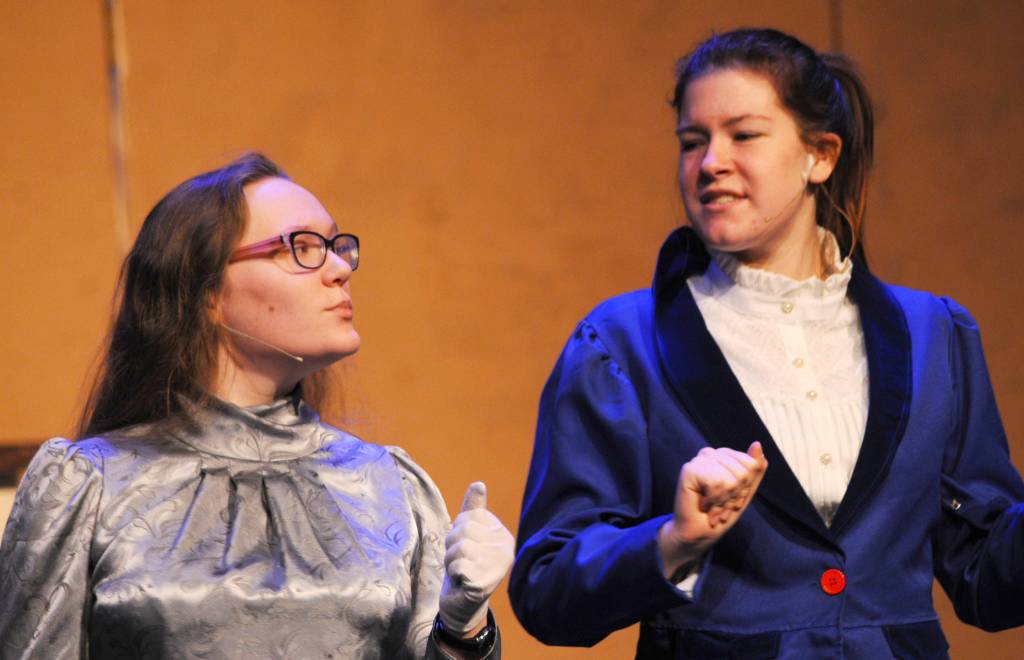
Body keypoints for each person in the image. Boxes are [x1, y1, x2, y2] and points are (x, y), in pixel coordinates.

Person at [509, 28, 1024, 658]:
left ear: (820, 156)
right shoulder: (621, 344)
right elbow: (547, 589)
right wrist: (673, 541)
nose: (710, 162)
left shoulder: (934, 334)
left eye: (744, 135)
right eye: (692, 141)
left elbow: (986, 573)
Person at [0, 153, 514, 659]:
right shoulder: (90, 484)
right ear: (205, 291)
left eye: (337, 247)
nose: (339, 268)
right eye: (302, 247)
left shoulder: (389, 485)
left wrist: (464, 630)